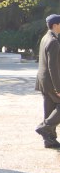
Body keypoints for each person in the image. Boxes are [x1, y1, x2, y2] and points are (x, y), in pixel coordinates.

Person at [35, 14, 60, 149]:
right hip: (51, 82)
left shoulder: (45, 38)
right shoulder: (53, 41)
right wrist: (58, 88)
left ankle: (49, 140)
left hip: (43, 80)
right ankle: (44, 128)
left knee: (50, 109)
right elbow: (53, 67)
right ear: (55, 25)